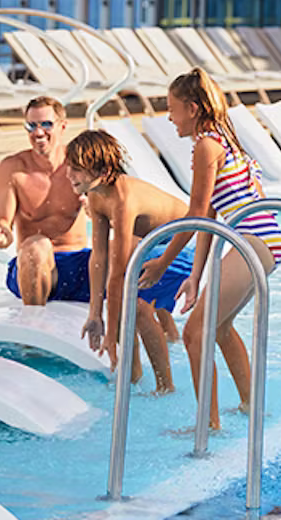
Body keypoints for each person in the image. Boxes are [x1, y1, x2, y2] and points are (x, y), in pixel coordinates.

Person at [138, 68, 281, 431]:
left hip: (251, 239)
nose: (169, 118)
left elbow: (194, 214)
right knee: (218, 328)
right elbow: (208, 217)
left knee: (193, 333)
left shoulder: (207, 145)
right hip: (264, 241)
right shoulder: (221, 140)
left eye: (171, 109)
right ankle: (252, 406)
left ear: (191, 108)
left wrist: (161, 263)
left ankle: (208, 423)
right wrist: (192, 276)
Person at [66, 129, 193, 394]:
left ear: (101, 170)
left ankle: (165, 386)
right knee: (123, 298)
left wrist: (111, 333)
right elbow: (99, 257)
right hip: (151, 240)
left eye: (76, 169)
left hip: (183, 241)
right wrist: (94, 314)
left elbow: (119, 273)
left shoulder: (123, 199)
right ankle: (133, 375)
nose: (69, 175)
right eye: (69, 167)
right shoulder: (96, 194)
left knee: (137, 306)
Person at [0, 96, 94, 306]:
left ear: (62, 126)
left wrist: (93, 208)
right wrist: (2, 233)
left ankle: (166, 331)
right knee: (38, 246)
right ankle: (31, 330)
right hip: (31, 269)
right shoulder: (13, 169)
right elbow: (3, 220)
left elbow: (107, 215)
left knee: (127, 254)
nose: (38, 133)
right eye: (31, 126)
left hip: (79, 266)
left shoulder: (82, 165)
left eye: (46, 124)